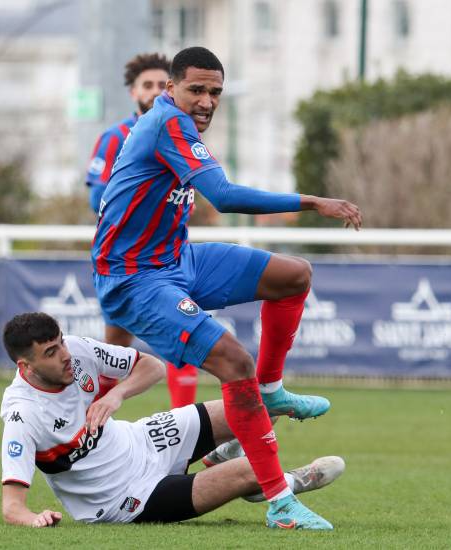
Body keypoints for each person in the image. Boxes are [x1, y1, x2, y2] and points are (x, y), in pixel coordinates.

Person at [90, 46, 362, 529]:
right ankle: (281, 502)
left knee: (293, 275)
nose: (208, 100)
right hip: (134, 277)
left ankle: (271, 391)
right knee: (234, 362)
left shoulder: (179, 127)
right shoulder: (167, 123)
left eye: (215, 92)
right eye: (197, 89)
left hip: (178, 259)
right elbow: (225, 195)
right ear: (171, 89)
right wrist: (314, 201)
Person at [0, 312, 345, 528]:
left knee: (250, 408)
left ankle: (218, 455)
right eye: (50, 353)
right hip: (126, 497)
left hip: (143, 438)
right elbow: (12, 507)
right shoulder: (23, 414)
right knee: (253, 468)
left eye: (60, 343)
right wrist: (35, 519)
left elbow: (151, 366)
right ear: (25, 366)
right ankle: (291, 482)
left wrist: (115, 395)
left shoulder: (77, 350)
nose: (64, 355)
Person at [85, 52, 199, 409]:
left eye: (158, 84)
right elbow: (96, 198)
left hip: (170, 259)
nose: (152, 91)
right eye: (145, 85)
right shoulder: (116, 136)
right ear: (134, 92)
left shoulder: (184, 134)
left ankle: (187, 428)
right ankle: (90, 431)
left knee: (184, 339)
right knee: (115, 355)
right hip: (124, 263)